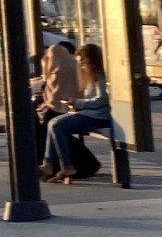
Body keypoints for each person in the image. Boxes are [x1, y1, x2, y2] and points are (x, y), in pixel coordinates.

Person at [45, 43, 113, 181]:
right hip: (91, 113)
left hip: (98, 116)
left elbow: (101, 100)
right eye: (80, 63)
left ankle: (66, 166)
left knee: (57, 125)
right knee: (52, 122)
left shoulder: (99, 76)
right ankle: (49, 163)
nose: (82, 67)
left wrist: (78, 103)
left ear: (92, 61)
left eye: (84, 63)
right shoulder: (92, 77)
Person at [33, 37, 80, 168]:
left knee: (48, 122)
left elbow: (55, 96)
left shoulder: (66, 69)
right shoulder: (72, 67)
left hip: (69, 109)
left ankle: (48, 163)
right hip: (66, 108)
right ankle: (48, 163)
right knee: (46, 120)